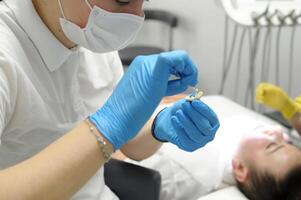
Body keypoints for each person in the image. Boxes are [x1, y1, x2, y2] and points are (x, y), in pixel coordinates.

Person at [0, 0, 220, 199]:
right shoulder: (6, 53)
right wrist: (104, 127)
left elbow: (127, 145)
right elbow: (108, 132)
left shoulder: (89, 37)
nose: (134, 17)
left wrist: (160, 126)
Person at [117, 97, 301, 200]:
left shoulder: (182, 172)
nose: (279, 131)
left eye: (272, 146)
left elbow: (116, 156)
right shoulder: (242, 144)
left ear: (240, 169)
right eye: (288, 142)